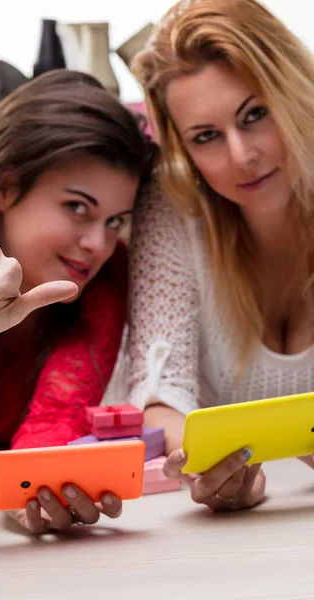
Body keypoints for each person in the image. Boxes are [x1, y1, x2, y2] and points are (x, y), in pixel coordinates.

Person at [0, 69, 155, 532]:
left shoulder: (101, 290)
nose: (97, 245)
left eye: (114, 221)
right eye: (78, 207)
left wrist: (37, 494)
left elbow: (54, 419)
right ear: (5, 186)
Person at [126, 0, 314, 512]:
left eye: (255, 115)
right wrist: (210, 466)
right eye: (206, 136)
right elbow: (160, 396)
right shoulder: (174, 209)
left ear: (294, 93)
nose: (241, 155)